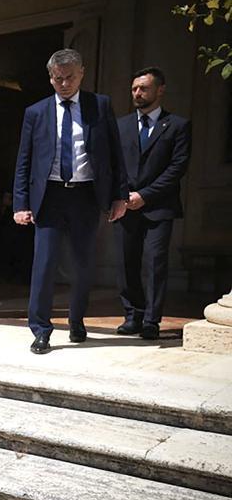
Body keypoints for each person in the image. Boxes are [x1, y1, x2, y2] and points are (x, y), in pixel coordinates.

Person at [13, 48, 128, 354]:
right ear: (50, 77)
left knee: (82, 264)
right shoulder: (36, 112)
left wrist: (119, 196)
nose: (64, 84)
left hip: (85, 195)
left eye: (70, 78)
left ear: (82, 74)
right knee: (44, 264)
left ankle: (76, 320)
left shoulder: (100, 105)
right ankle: (41, 330)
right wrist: (21, 204)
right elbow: (24, 161)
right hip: (49, 196)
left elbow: (115, 155)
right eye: (58, 78)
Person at [115, 67, 191, 340]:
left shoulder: (178, 125)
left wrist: (145, 195)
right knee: (126, 263)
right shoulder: (121, 125)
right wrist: (122, 196)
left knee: (155, 263)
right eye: (134, 89)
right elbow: (113, 165)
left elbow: (177, 168)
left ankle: (151, 320)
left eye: (143, 88)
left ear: (160, 90)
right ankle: (132, 316)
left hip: (159, 207)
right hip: (125, 206)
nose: (137, 93)